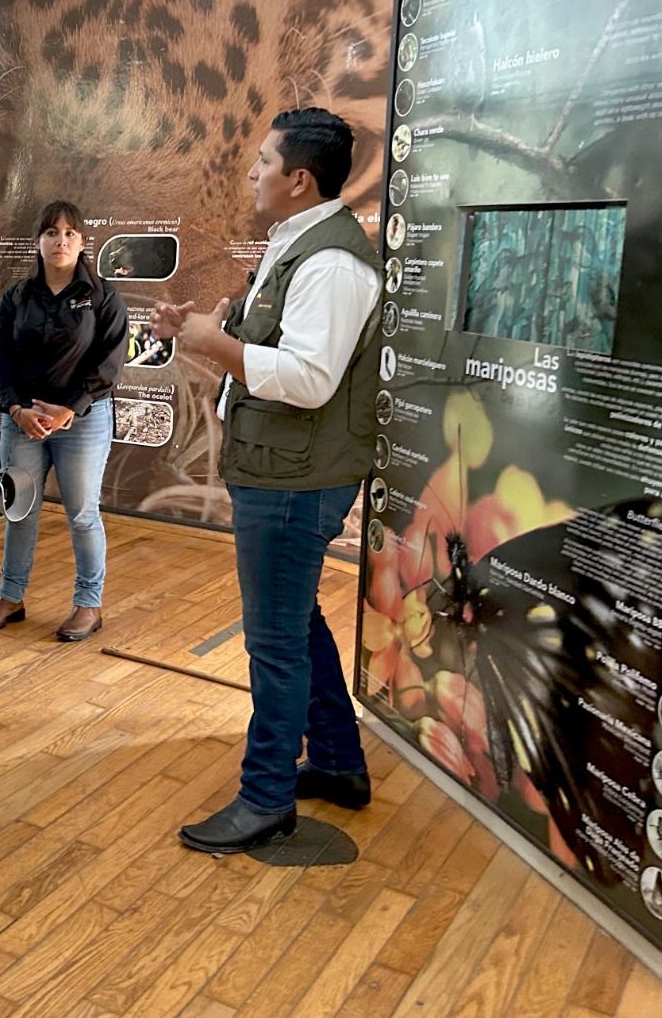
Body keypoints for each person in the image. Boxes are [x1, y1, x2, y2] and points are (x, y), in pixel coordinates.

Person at [167, 107, 381, 855]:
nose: (252, 172)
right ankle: (336, 762)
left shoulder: (330, 262)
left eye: (263, 161)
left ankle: (265, 799)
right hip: (284, 472)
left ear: (299, 179)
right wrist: (210, 330)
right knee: (297, 625)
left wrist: (217, 343)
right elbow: (279, 352)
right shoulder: (301, 247)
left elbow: (311, 380)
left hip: (294, 482)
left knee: (274, 643)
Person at [0, 200, 127, 642]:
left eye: (69, 234)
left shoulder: (104, 298)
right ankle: (11, 597)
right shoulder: (17, 298)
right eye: (51, 233)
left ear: (82, 242)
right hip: (23, 421)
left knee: (82, 514)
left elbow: (110, 364)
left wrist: (69, 409)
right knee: (19, 511)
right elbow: (0, 360)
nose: (60, 241)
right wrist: (17, 409)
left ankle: (88, 604)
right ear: (38, 241)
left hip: (81, 421)